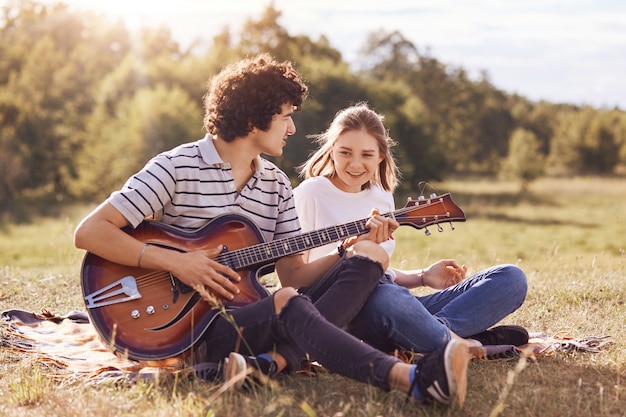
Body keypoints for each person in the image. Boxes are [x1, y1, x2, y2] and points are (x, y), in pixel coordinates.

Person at [74, 55, 471, 406]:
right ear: (253, 118)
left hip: (244, 318)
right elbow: (90, 232)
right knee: (287, 302)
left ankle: (268, 364)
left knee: (368, 258)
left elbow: (294, 275)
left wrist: (347, 248)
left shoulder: (276, 185)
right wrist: (178, 263)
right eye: (285, 115)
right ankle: (414, 381)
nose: (293, 128)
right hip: (180, 328)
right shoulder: (178, 167)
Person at [292, 102, 529, 358]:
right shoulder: (309, 194)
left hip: (390, 300)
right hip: (342, 307)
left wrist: (423, 277)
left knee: (510, 278)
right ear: (331, 152)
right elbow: (296, 281)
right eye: (345, 152)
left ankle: (430, 336)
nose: (355, 164)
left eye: (367, 155)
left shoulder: (381, 197)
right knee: (389, 300)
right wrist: (350, 251)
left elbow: (380, 272)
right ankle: (469, 344)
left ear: (381, 156)